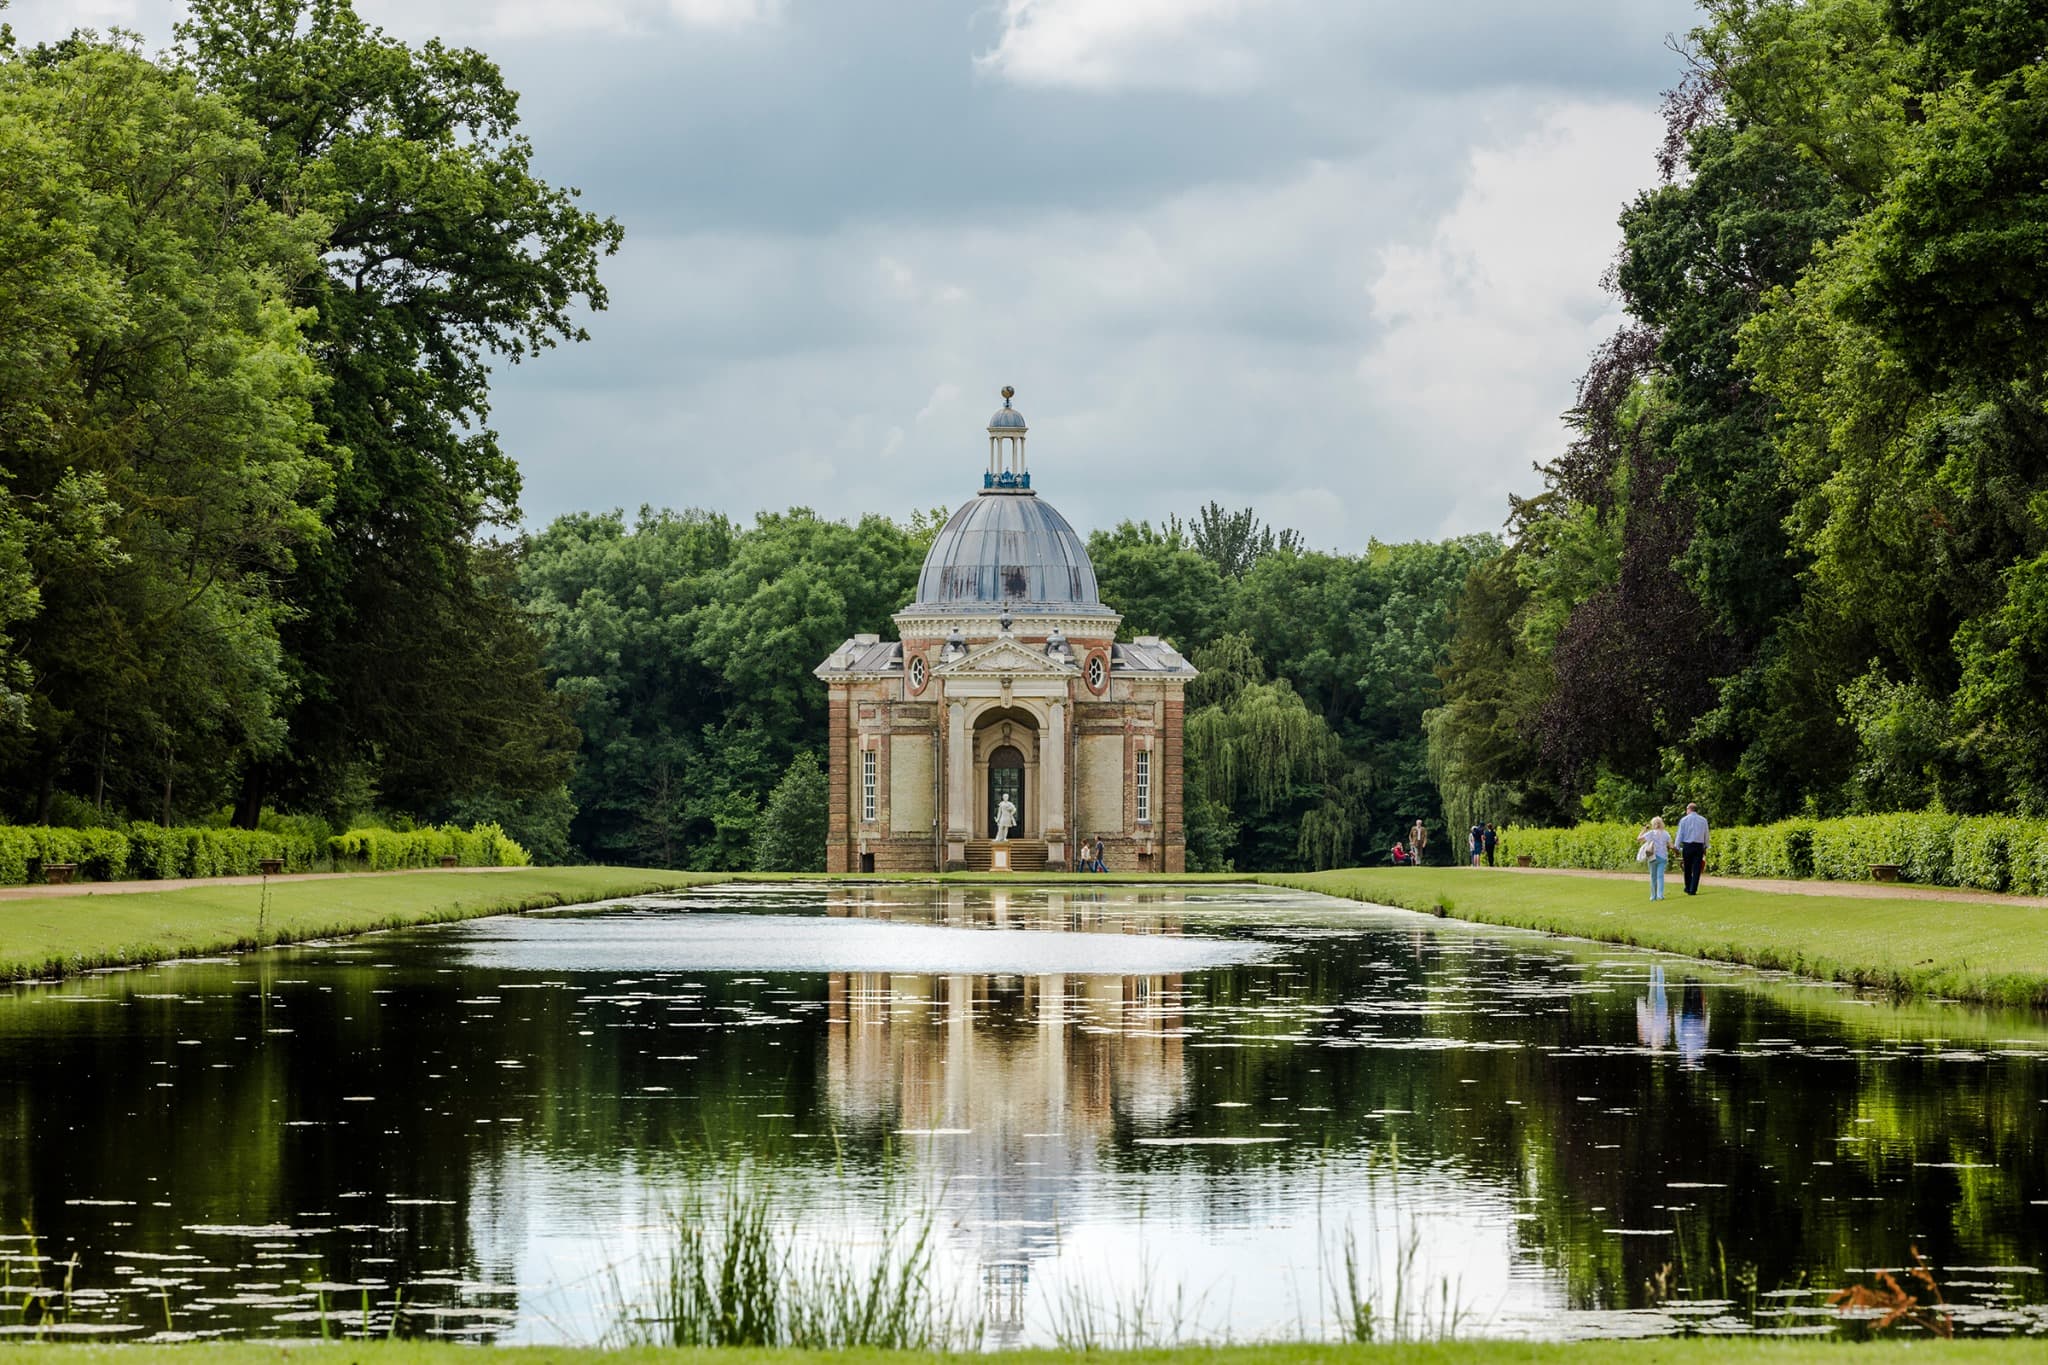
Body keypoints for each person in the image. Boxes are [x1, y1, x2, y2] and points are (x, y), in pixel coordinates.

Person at [1676, 802, 1709, 896]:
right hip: (1699, 846)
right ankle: (1693, 889)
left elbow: (1680, 834)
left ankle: (1688, 886)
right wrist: (1706, 846)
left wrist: (1676, 847)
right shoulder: (1703, 820)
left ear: (1688, 809)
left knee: (1687, 868)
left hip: (1687, 845)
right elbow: (1706, 834)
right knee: (1696, 868)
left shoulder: (1684, 820)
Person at [1638, 815, 1673, 901]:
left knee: (1653, 877)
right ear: (1661, 824)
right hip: (1663, 857)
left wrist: (1644, 829)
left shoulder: (1651, 833)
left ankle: (1653, 896)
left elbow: (1639, 839)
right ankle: (1660, 895)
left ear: (1653, 824)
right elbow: (1671, 845)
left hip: (1652, 856)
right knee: (1660, 876)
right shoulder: (1666, 833)